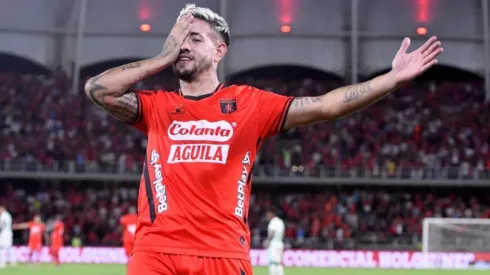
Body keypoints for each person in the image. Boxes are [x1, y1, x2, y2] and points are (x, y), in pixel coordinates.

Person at [84, 3, 443, 274]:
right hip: (155, 252)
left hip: (222, 253)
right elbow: (97, 90)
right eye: (179, 39)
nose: (184, 47)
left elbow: (325, 106)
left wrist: (392, 79)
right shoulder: (157, 106)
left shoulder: (249, 103)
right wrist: (162, 56)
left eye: (195, 38)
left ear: (220, 50)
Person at [264, 207, 285, 275]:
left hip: (273, 244)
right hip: (280, 243)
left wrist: (268, 242)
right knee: (278, 263)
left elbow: (272, 233)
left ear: (272, 214)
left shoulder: (273, 222)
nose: (267, 215)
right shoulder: (280, 221)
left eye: (268, 214)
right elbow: (283, 234)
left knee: (272, 262)